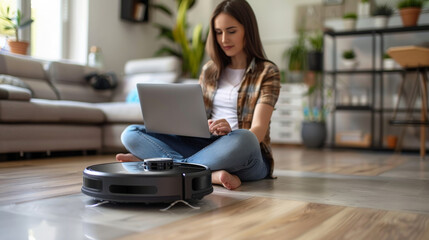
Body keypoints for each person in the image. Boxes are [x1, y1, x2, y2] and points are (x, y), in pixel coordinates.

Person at [116, 0, 280, 190]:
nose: (224, 39)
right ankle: (208, 174)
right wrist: (201, 126)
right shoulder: (210, 70)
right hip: (206, 148)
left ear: (247, 30)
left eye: (231, 31)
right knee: (130, 133)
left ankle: (162, 165)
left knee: (245, 138)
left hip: (245, 152)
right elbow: (196, 118)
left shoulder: (267, 71)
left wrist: (231, 133)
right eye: (218, 32)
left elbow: (258, 129)